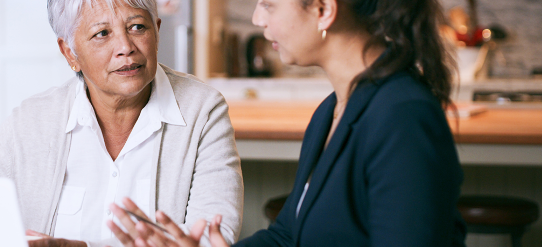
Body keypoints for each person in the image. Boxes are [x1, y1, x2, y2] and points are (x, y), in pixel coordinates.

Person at [107, 0, 467, 246]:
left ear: (323, 10)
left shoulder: (402, 118)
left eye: (269, 4)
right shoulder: (332, 111)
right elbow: (288, 237)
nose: (257, 19)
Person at [0, 0, 244, 246]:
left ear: (157, 31)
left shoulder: (203, 110)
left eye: (137, 27)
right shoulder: (31, 121)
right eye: (102, 34)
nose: (125, 47)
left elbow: (213, 235)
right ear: (70, 53)